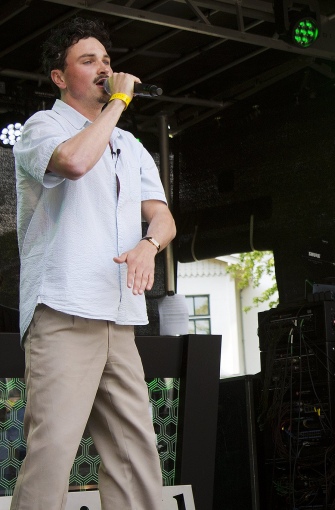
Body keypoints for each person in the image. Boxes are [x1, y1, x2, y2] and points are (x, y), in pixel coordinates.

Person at [12, 17, 176, 510]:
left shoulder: (129, 145)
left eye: (106, 60)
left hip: (119, 317)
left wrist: (149, 245)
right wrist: (119, 104)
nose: (104, 69)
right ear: (60, 77)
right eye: (88, 61)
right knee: (53, 451)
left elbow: (163, 216)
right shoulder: (43, 127)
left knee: (137, 456)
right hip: (63, 312)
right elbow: (75, 162)